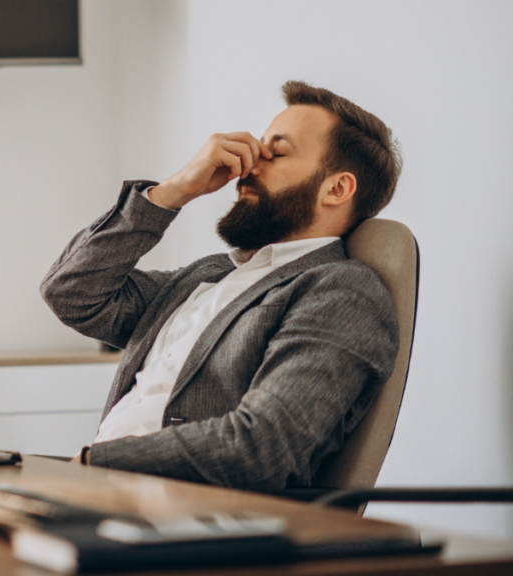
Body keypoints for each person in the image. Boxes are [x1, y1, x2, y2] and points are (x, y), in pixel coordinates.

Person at [40, 80, 403, 491]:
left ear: (336, 188)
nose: (247, 166)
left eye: (276, 153)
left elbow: (263, 446)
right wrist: (172, 191)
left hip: (192, 519)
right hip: (104, 494)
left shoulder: (340, 292)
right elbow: (71, 292)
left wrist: (98, 463)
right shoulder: (206, 276)